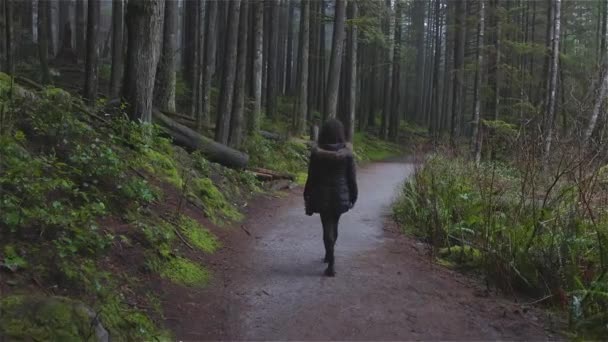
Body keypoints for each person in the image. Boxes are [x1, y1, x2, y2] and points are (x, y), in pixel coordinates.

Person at [304, 119, 358, 277]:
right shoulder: (347, 155)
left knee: (326, 225)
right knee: (334, 224)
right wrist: (354, 195)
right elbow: (351, 178)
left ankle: (330, 257)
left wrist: (306, 193)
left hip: (321, 195)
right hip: (340, 196)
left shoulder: (317, 154)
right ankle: (330, 253)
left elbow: (311, 177)